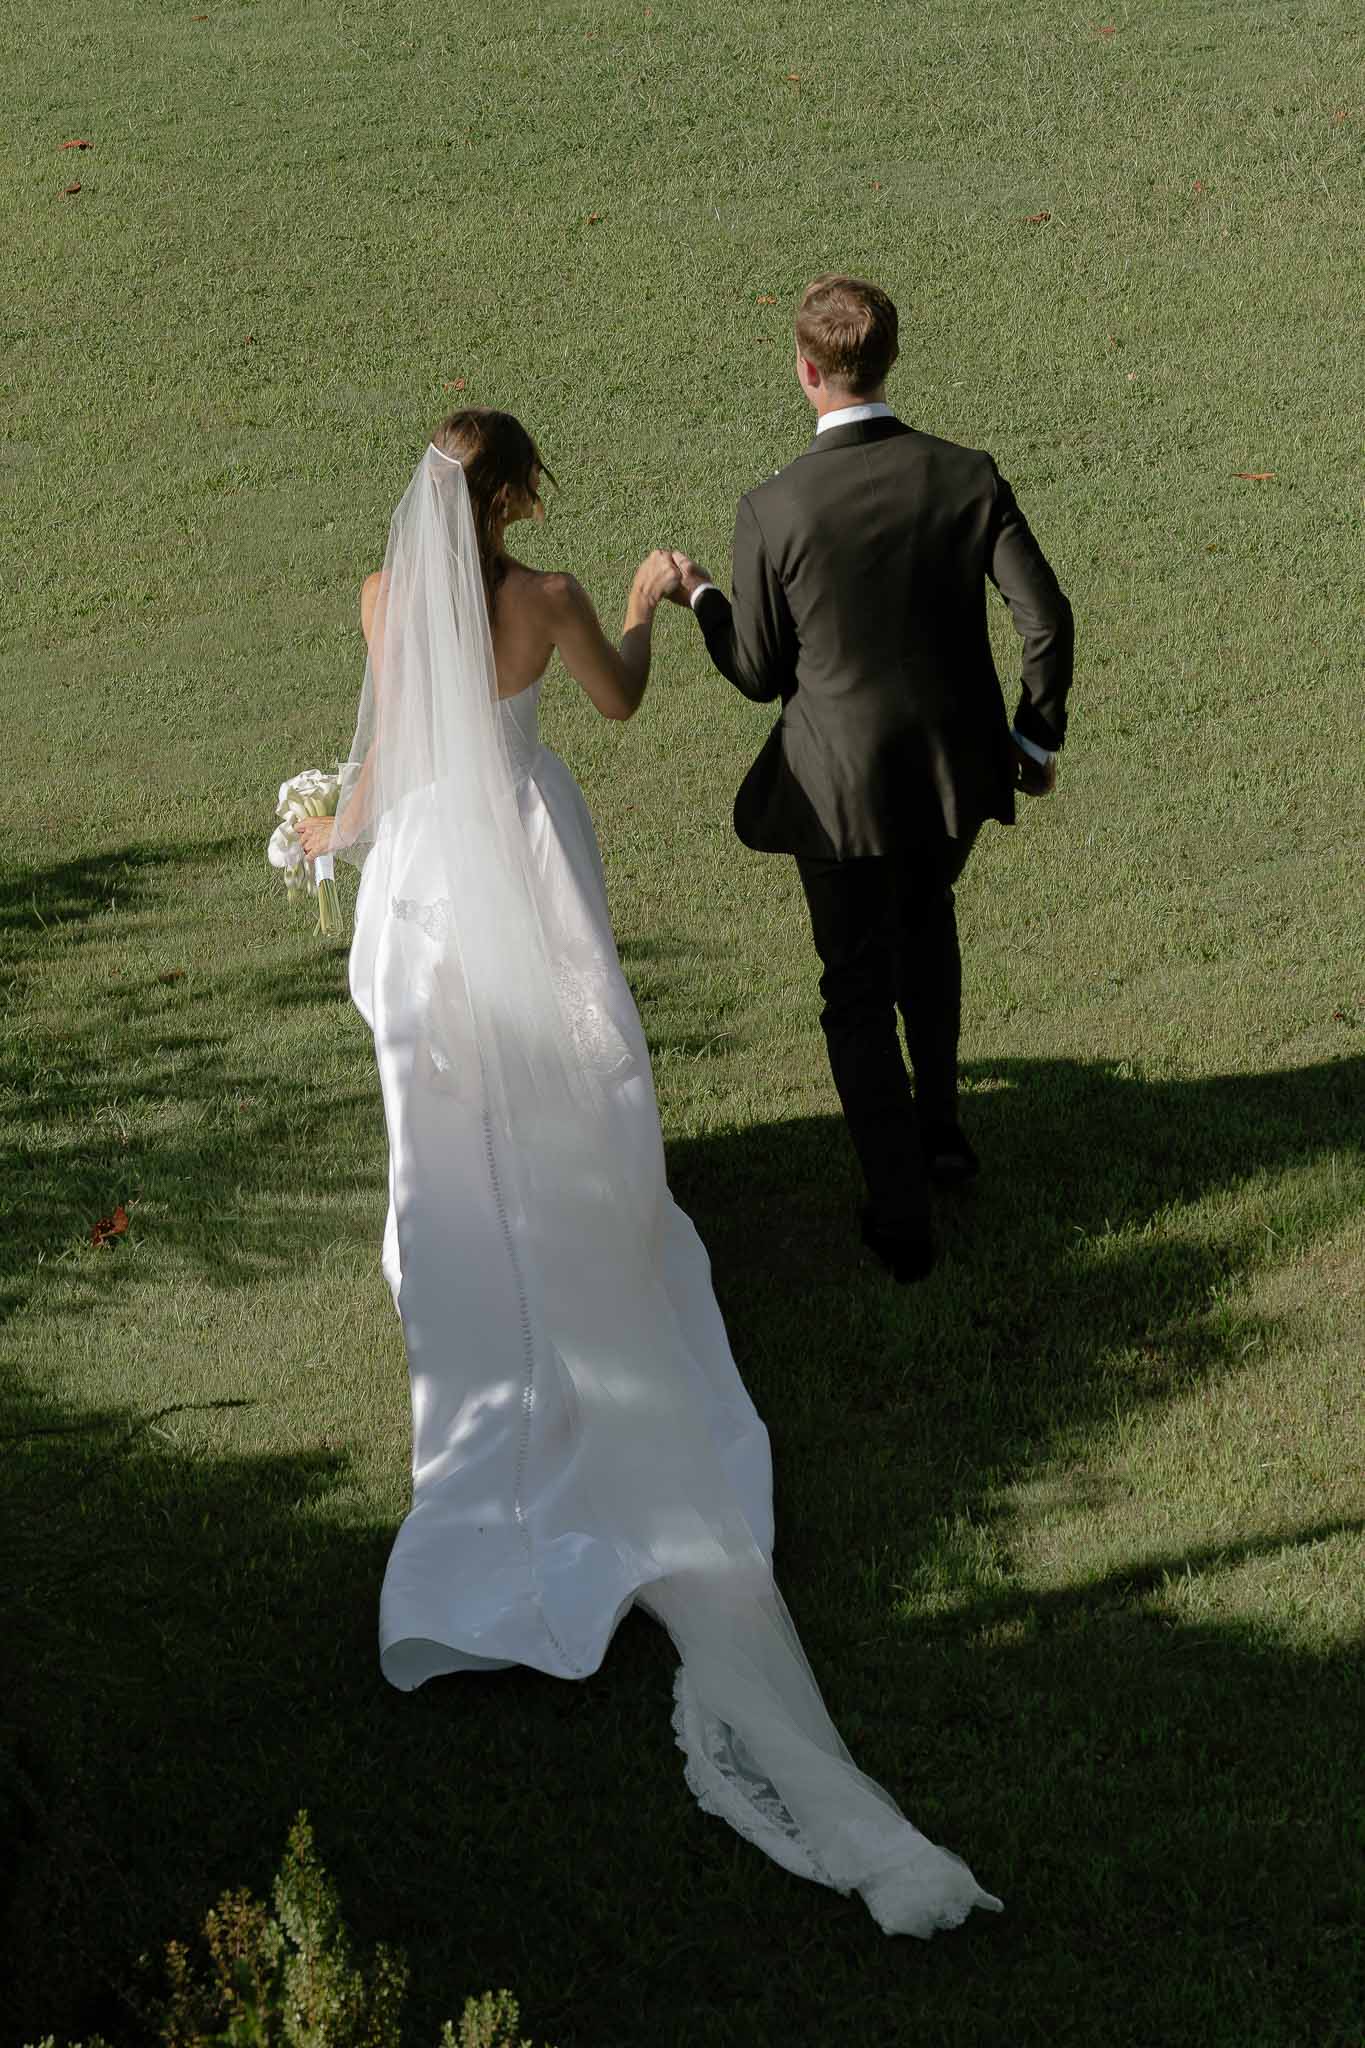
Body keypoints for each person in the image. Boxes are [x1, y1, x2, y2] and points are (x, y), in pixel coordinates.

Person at [302, 407, 1002, 1938]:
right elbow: (613, 709)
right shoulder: (542, 600)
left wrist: (325, 835)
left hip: (422, 866)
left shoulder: (377, 598)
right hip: (529, 860)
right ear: (519, 497)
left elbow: (381, 752)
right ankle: (587, 1240)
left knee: (448, 1093)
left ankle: (472, 1260)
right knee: (572, 1074)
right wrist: (631, 602)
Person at [669, 275, 1075, 1282]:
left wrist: (704, 596)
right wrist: (1032, 738)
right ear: (886, 360)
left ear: (807, 372)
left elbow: (760, 673)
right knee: (928, 922)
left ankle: (900, 1215)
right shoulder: (965, 474)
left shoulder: (773, 508)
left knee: (854, 987)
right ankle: (941, 1134)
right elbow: (1048, 617)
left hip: (838, 792)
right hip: (952, 774)